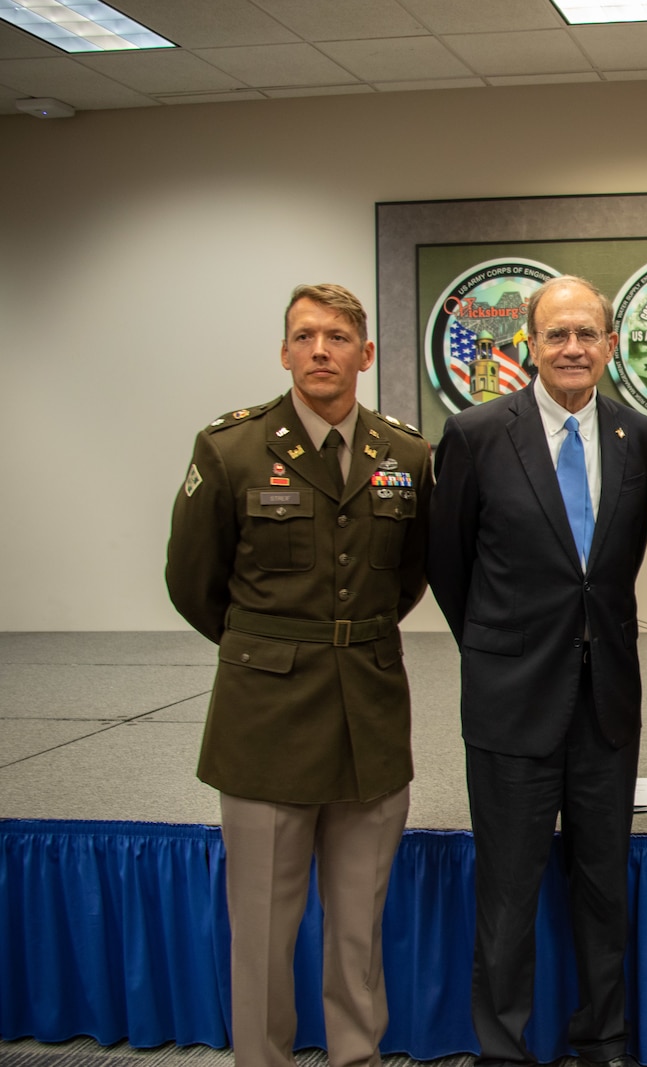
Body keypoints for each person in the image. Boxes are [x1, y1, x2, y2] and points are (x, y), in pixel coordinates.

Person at [165, 283, 431, 1067]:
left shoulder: (406, 454)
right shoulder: (231, 449)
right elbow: (193, 581)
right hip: (265, 718)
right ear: (284, 351)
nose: (322, 350)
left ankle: (357, 1057)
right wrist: (267, 647)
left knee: (358, 927)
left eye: (340, 336)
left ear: (366, 354)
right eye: (306, 335)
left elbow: (410, 577)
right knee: (263, 930)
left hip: (369, 717)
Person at [427, 276, 647, 1067]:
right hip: (510, 702)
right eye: (556, 334)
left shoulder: (640, 434)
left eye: (586, 334)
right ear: (530, 342)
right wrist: (504, 648)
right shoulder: (475, 431)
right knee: (508, 893)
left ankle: (602, 1041)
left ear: (610, 344)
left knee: (603, 888)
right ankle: (503, 1049)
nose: (572, 348)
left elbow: (612, 569)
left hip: (605, 707)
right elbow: (449, 565)